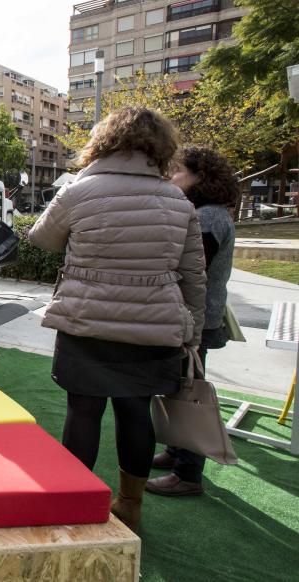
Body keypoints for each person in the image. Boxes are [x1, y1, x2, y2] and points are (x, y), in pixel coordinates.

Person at [28, 107, 206, 532]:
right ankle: (131, 504)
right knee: (135, 413)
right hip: (153, 327)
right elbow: (193, 274)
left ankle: (76, 503)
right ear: (161, 147)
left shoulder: (78, 190)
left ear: (103, 141)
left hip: (87, 321)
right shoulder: (176, 199)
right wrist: (192, 332)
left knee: (83, 413)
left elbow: (40, 239)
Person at [148, 146, 239, 497]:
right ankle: (177, 452)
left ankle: (188, 473)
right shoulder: (205, 213)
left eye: (177, 172)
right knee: (179, 385)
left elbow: (192, 271)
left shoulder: (210, 217)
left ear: (200, 177)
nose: (171, 178)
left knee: (190, 391)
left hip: (196, 320)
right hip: (193, 317)